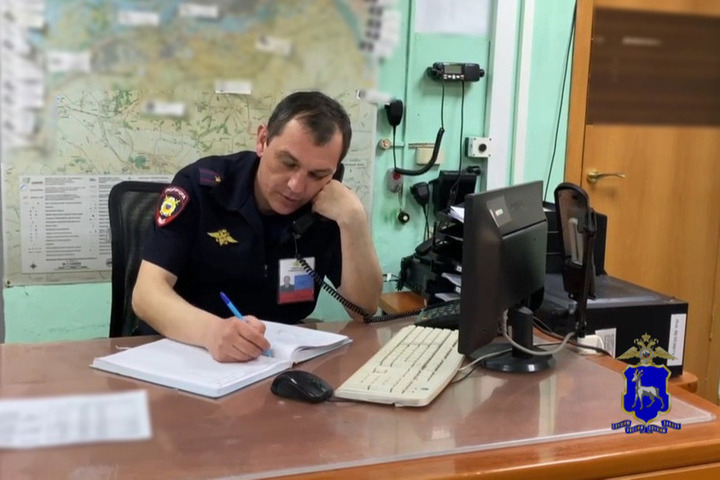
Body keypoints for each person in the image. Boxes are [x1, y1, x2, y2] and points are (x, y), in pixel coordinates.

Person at [132, 91, 382, 363]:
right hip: (187, 354)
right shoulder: (202, 187)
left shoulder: (328, 209)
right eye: (288, 163)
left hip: (276, 361)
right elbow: (146, 294)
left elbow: (364, 310)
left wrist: (354, 220)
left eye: (317, 174)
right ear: (263, 140)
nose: (296, 186)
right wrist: (212, 332)